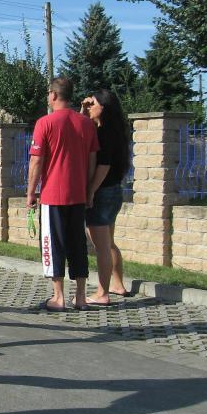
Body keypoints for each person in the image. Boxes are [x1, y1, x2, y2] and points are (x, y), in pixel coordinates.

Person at [26, 77, 99, 312]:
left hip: (53, 196)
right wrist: (88, 189)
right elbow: (92, 160)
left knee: (52, 244)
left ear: (54, 95)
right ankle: (81, 297)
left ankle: (58, 298)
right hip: (78, 195)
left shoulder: (44, 123)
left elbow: (36, 161)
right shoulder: (86, 124)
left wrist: (31, 192)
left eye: (48, 93)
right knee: (78, 243)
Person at [81, 89, 132, 304]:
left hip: (102, 193)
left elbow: (103, 165)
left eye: (92, 104)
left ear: (104, 107)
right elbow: (81, 126)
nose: (89, 107)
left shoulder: (103, 133)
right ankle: (117, 284)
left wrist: (91, 191)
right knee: (109, 243)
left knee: (101, 247)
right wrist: (83, 110)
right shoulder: (116, 131)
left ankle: (102, 294)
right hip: (114, 191)